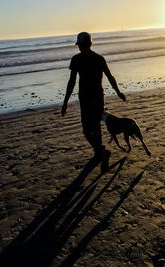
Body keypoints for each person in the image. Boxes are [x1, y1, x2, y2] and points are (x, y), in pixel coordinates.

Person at [61, 32, 126, 172]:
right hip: (93, 97)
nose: (79, 48)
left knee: (90, 127)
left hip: (89, 97)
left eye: (80, 45)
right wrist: (118, 92)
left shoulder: (78, 59)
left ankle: (100, 151)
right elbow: (109, 76)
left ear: (84, 45)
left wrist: (65, 101)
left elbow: (72, 82)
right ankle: (100, 150)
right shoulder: (97, 58)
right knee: (91, 127)